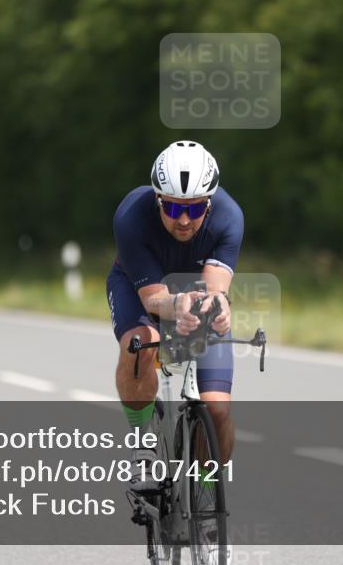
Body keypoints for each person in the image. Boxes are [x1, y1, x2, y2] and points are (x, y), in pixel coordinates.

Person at [107, 140, 243, 492]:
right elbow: (153, 298)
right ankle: (143, 446)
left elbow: (216, 289)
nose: (184, 220)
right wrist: (177, 304)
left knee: (217, 410)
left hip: (194, 290)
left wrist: (219, 306)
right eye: (173, 207)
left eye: (195, 210)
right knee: (142, 343)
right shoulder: (131, 215)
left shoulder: (229, 216)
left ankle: (208, 491)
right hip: (141, 287)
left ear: (209, 203)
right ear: (157, 198)